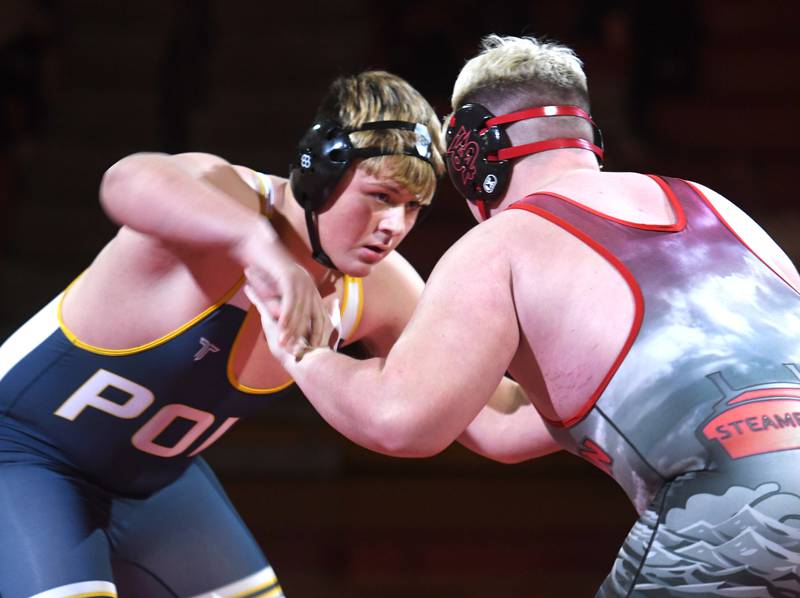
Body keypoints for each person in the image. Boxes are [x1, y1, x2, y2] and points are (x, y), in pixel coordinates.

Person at [251, 36, 800, 596]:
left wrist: (305, 353)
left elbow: (401, 420)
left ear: (469, 153)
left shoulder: (503, 243)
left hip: (739, 506)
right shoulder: (716, 207)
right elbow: (507, 428)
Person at [0, 70, 446, 598]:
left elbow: (483, 417)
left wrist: (568, 418)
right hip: (23, 458)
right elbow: (125, 179)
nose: (394, 225)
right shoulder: (224, 199)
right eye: (380, 195)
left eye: (413, 207)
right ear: (319, 173)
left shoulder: (381, 288)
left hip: (157, 487)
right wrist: (259, 250)